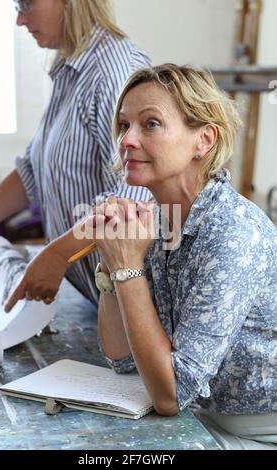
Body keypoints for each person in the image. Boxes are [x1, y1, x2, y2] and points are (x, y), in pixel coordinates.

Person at [84, 63, 277, 450]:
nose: (127, 140)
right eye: (124, 125)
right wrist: (109, 261)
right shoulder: (160, 218)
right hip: (204, 413)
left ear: (203, 140)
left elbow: (170, 395)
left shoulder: (232, 233)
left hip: (257, 430)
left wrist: (127, 267)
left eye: (150, 124)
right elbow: (123, 360)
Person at [0, 0, 151, 308]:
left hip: (134, 305)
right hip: (101, 298)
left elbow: (133, 198)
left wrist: (58, 254)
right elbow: (32, 169)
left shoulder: (113, 71)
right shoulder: (71, 71)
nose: (19, 19)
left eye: (26, 4)